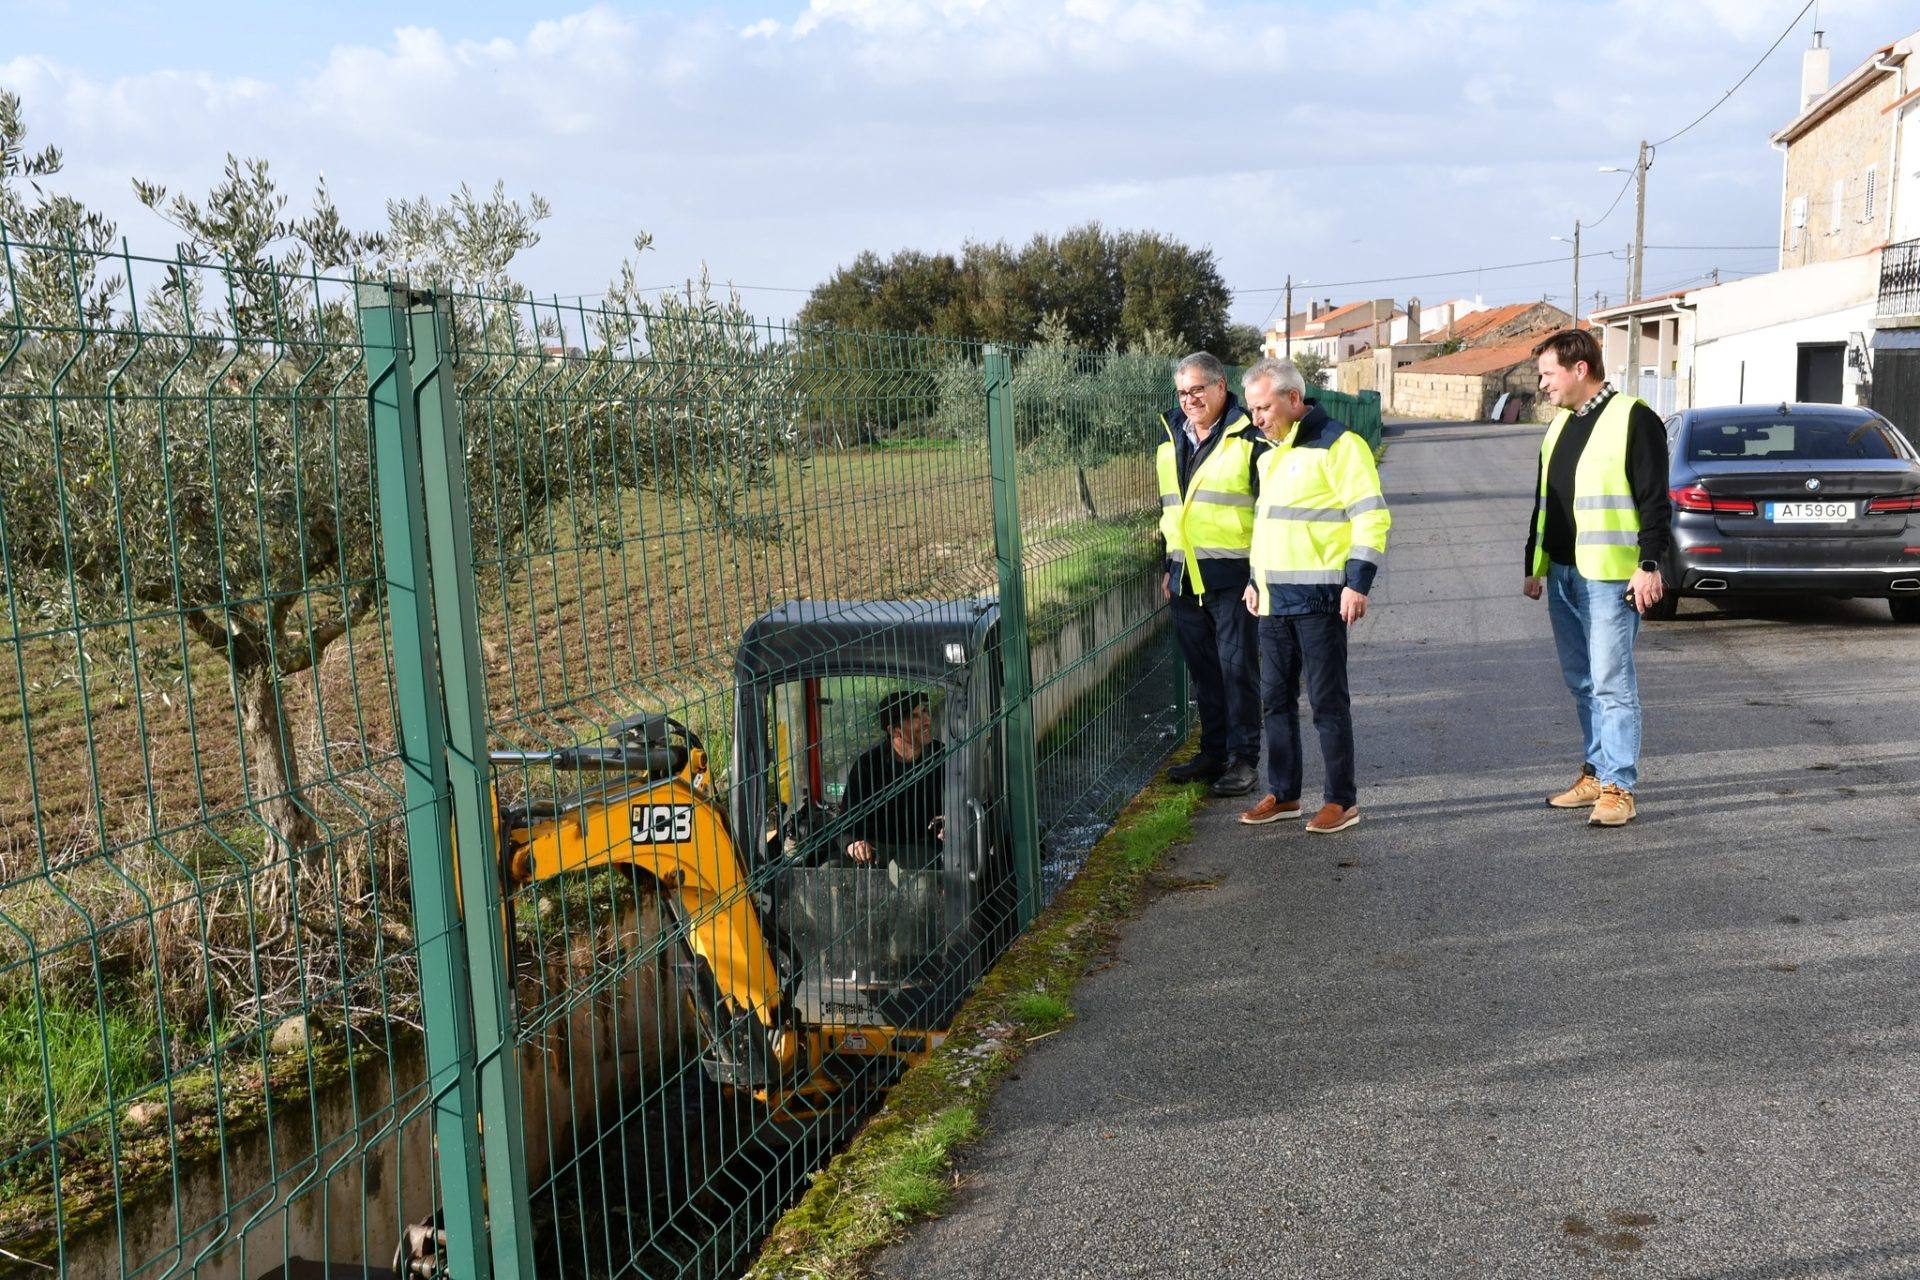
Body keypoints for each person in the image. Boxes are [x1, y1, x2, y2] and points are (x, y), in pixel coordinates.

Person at [1522, 328, 1672, 828]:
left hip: (1610, 578)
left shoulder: (1634, 418)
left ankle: (1619, 787)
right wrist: (1534, 564)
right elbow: (1547, 502)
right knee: (1582, 681)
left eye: (1547, 374)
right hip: (1564, 574)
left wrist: (1649, 563)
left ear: (1579, 369)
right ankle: (1594, 772)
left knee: (1612, 683)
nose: (1542, 384)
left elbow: (1655, 500)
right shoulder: (1560, 425)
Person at [1236, 358, 1389, 834]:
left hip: (1321, 597)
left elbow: (1371, 516)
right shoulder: (1267, 451)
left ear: (1294, 399)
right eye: (1252, 408)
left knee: (1327, 703)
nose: (1256, 418)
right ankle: (1284, 794)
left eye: (1264, 407)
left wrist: (1357, 583)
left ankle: (1341, 802)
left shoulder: (1341, 445)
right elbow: (1268, 526)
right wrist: (1254, 580)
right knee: (1275, 701)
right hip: (1273, 599)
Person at [1159, 352, 1268, 797]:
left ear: (1222, 386)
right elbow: (1170, 511)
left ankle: (1245, 761)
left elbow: (1267, 514)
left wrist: (1258, 576)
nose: (1190, 399)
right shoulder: (1170, 441)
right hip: (1186, 577)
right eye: (1183, 392)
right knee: (1205, 672)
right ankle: (1214, 753)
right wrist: (1169, 566)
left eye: (1198, 389)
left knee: (1237, 670)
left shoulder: (1250, 438)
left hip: (1234, 576)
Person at [842, 690, 945, 866]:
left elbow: (959, 803)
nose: (927, 719)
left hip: (922, 849)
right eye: (916, 716)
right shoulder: (867, 765)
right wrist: (852, 843)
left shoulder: (942, 757)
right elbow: (845, 819)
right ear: (894, 730)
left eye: (925, 711)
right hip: (875, 852)